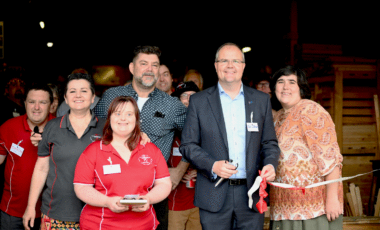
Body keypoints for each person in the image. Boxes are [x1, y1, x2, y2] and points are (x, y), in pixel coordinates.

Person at [180, 42, 280, 230]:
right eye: (224, 61)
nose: (230, 65)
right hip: (213, 192)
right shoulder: (199, 101)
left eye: (235, 61)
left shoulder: (260, 100)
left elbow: (269, 142)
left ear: (243, 66)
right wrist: (212, 165)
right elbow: (188, 145)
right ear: (216, 65)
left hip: (251, 192)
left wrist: (270, 164)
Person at [94, 46, 188, 230]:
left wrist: (179, 170)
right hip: (111, 186)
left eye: (154, 65)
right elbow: (95, 132)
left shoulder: (173, 105)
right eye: (143, 64)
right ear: (131, 68)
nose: (149, 69)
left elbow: (195, 137)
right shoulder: (111, 96)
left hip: (153, 190)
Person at [22, 73, 106, 230]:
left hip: (97, 212)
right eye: (72, 91)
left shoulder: (107, 128)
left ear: (93, 96)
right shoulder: (52, 127)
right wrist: (30, 206)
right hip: (56, 213)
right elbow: (41, 168)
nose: (78, 95)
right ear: (66, 98)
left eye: (84, 91)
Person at [73, 96, 171, 229]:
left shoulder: (151, 150)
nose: (123, 118)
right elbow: (81, 188)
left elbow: (164, 184)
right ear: (110, 119)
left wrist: (149, 199)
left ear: (136, 119)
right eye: (117, 113)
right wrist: (107, 202)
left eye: (129, 114)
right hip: (101, 225)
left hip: (143, 225)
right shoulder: (93, 151)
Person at [269, 66, 343, 230]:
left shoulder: (312, 110)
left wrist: (332, 199)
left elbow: (330, 158)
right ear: (274, 88)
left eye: (292, 82)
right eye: (280, 82)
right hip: (283, 207)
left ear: (301, 88)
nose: (285, 87)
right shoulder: (279, 116)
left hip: (313, 208)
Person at [0, 83, 55, 230]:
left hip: (51, 213)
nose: (36, 107)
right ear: (25, 103)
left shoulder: (61, 128)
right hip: (13, 211)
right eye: (31, 102)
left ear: (51, 104)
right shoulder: (8, 127)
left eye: (42, 102)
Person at [168, 81, 201, 230]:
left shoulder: (207, 128)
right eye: (184, 96)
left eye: (193, 96)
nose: (189, 100)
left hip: (199, 203)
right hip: (174, 202)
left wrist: (200, 172)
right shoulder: (167, 130)